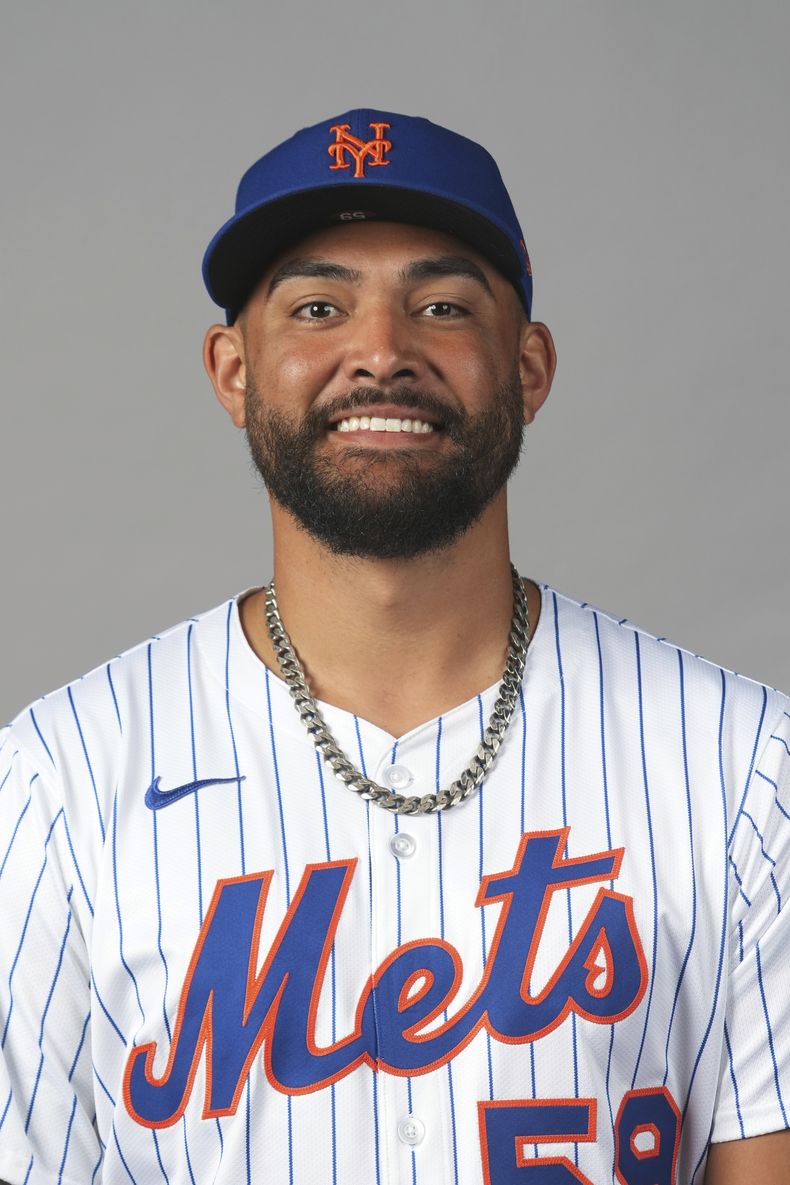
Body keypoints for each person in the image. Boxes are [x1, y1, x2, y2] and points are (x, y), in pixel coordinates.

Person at [0, 108, 787, 1185]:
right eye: (319, 306)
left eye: (442, 305)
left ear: (528, 367)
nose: (380, 352)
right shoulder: (60, 782)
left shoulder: (742, 765)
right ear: (233, 371)